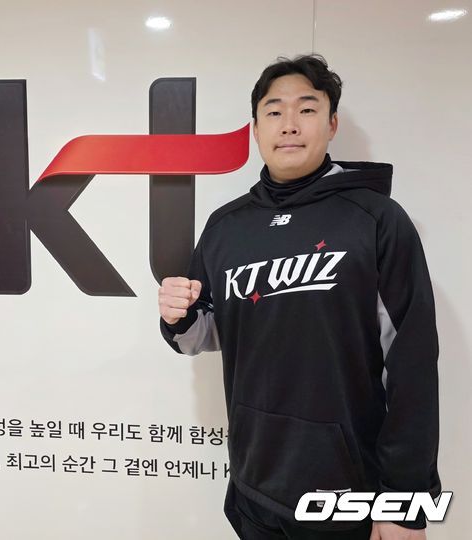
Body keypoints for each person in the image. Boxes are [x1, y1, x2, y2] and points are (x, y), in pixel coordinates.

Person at [157, 54, 442, 540]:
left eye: (307, 109)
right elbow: (203, 335)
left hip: (349, 496)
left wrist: (405, 503)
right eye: (274, 111)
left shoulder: (377, 219)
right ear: (256, 129)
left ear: (331, 125)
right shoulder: (226, 226)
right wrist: (177, 316)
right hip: (254, 488)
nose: (289, 124)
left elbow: (412, 366)